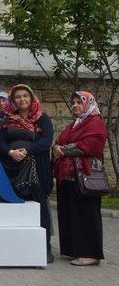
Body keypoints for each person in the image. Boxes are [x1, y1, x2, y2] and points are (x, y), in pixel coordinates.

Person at [0, 84, 54, 263]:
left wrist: (26, 151)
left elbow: (46, 141)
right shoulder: (7, 119)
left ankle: (45, 247)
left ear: (31, 98)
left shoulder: (42, 118)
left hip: (37, 168)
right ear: (12, 101)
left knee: (40, 207)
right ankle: (19, 248)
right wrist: (11, 152)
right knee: (17, 207)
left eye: (25, 96)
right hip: (13, 168)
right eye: (18, 97)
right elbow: (1, 142)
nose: (22, 99)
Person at [53, 91, 107, 266]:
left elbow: (90, 145)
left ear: (88, 104)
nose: (75, 105)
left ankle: (90, 254)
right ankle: (73, 250)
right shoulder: (75, 124)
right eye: (73, 102)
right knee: (70, 213)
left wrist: (63, 149)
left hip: (85, 176)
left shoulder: (96, 123)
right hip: (69, 177)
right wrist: (58, 147)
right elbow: (58, 141)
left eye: (79, 102)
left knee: (86, 214)